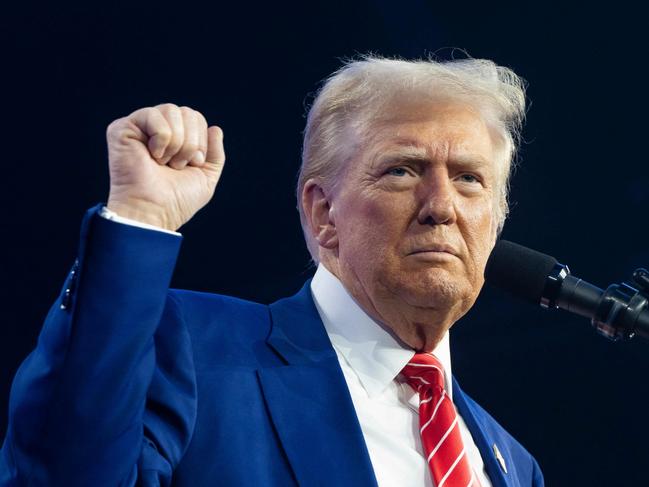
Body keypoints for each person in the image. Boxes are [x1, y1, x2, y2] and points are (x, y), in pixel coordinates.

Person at [0, 55, 544, 486]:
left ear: (494, 223)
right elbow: (65, 471)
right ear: (322, 212)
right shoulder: (191, 348)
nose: (441, 206)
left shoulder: (512, 463)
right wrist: (139, 220)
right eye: (402, 170)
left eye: (470, 179)